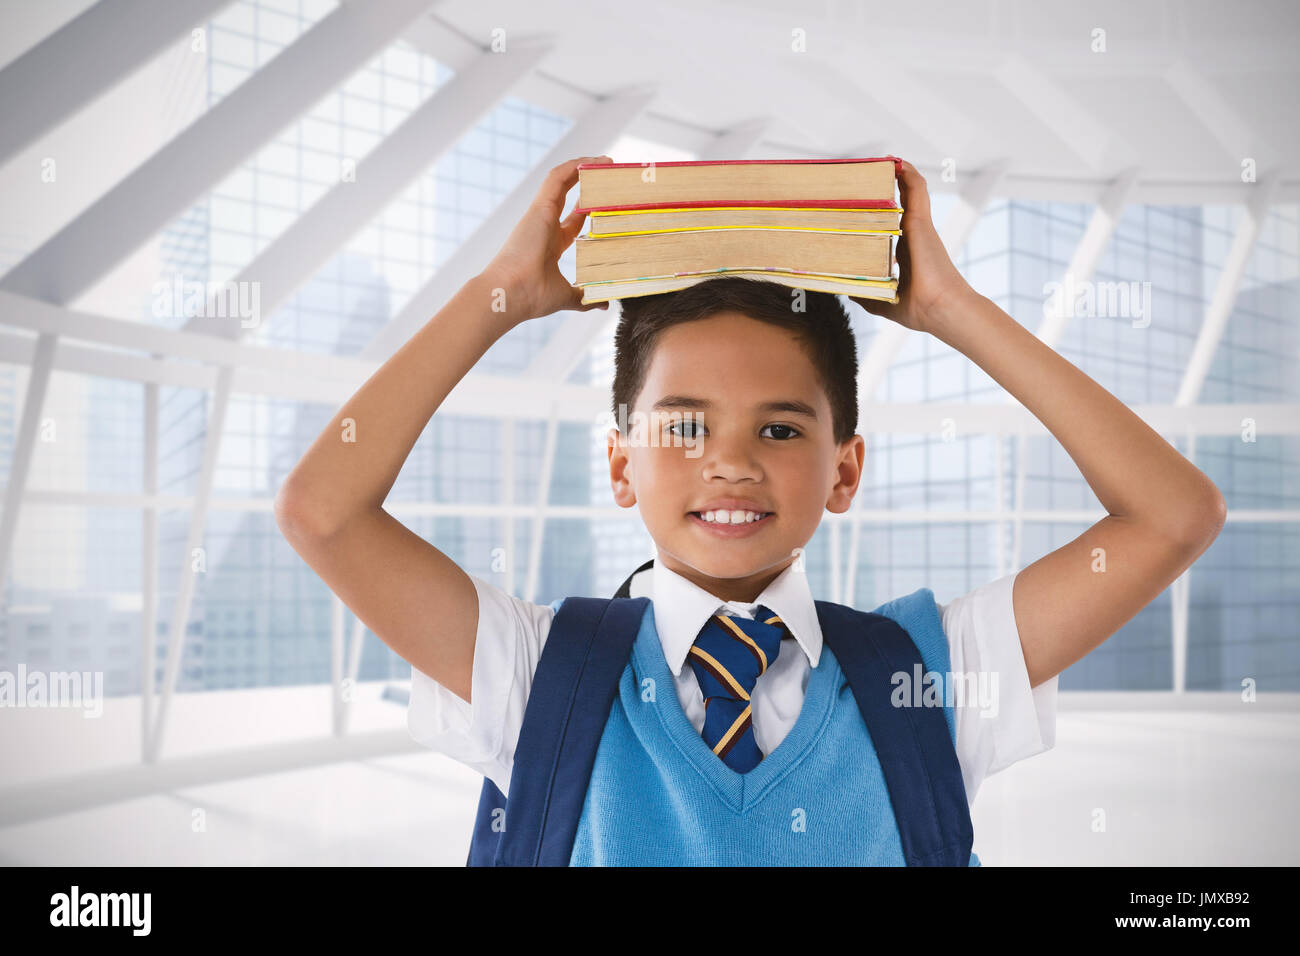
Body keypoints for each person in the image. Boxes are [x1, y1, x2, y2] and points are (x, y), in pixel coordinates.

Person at [275, 155, 1226, 865]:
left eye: (779, 431)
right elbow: (324, 511)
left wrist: (949, 309)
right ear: (620, 465)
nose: (729, 463)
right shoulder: (539, 676)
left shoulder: (925, 676)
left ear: (844, 472)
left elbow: (1172, 516)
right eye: (684, 427)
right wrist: (505, 295)